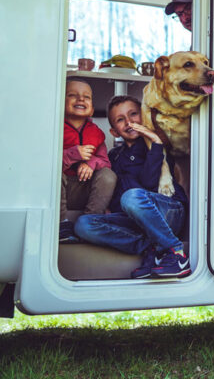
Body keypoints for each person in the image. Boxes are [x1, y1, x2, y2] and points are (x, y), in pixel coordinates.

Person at [74, 95, 191, 278]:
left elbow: (149, 183)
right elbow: (112, 187)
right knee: (83, 224)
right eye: (120, 120)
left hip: (167, 211)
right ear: (114, 132)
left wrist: (156, 141)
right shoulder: (114, 156)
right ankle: (152, 249)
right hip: (134, 219)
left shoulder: (157, 145)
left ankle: (175, 252)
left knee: (131, 196)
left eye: (134, 114)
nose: (129, 122)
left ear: (144, 116)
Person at [60, 80, 116, 242]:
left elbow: (105, 162)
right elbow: (44, 160)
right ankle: (61, 225)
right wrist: (73, 154)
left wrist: (91, 163)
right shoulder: (56, 128)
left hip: (85, 190)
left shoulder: (96, 133)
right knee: (53, 173)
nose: (80, 99)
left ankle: (91, 221)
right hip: (59, 191)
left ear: (91, 109)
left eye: (86, 97)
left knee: (108, 175)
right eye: (72, 95)